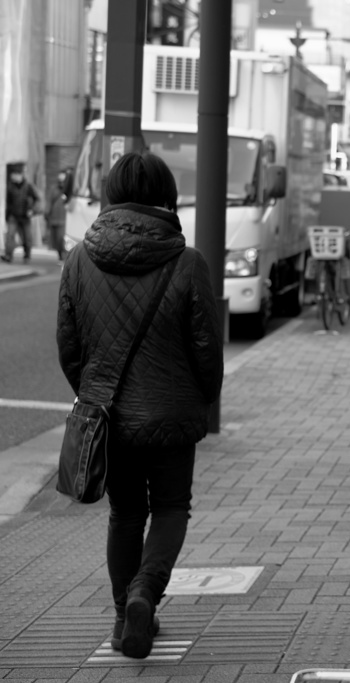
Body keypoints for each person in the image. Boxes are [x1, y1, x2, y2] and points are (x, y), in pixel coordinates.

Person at [56, 151, 224, 659]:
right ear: (166, 199)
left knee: (126, 514)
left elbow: (69, 349)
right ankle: (145, 595)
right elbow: (206, 350)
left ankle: (121, 614)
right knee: (171, 507)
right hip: (172, 413)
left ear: (109, 197)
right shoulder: (188, 262)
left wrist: (95, 394)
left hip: (111, 415)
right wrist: (203, 399)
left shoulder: (78, 260)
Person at [3, 162, 40, 263]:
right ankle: (8, 255)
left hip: (25, 216)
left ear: (20, 175)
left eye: (15, 175)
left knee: (27, 237)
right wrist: (7, 216)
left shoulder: (28, 187)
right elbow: (8, 203)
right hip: (13, 216)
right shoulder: (10, 187)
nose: (13, 177)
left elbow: (37, 199)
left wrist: (32, 210)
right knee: (10, 235)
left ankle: (27, 255)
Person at [45, 170, 69, 261]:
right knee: (55, 239)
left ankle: (64, 254)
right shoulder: (53, 189)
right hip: (54, 217)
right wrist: (47, 213)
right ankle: (60, 254)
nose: (61, 182)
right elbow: (49, 201)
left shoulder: (68, 190)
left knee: (60, 238)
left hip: (64, 218)